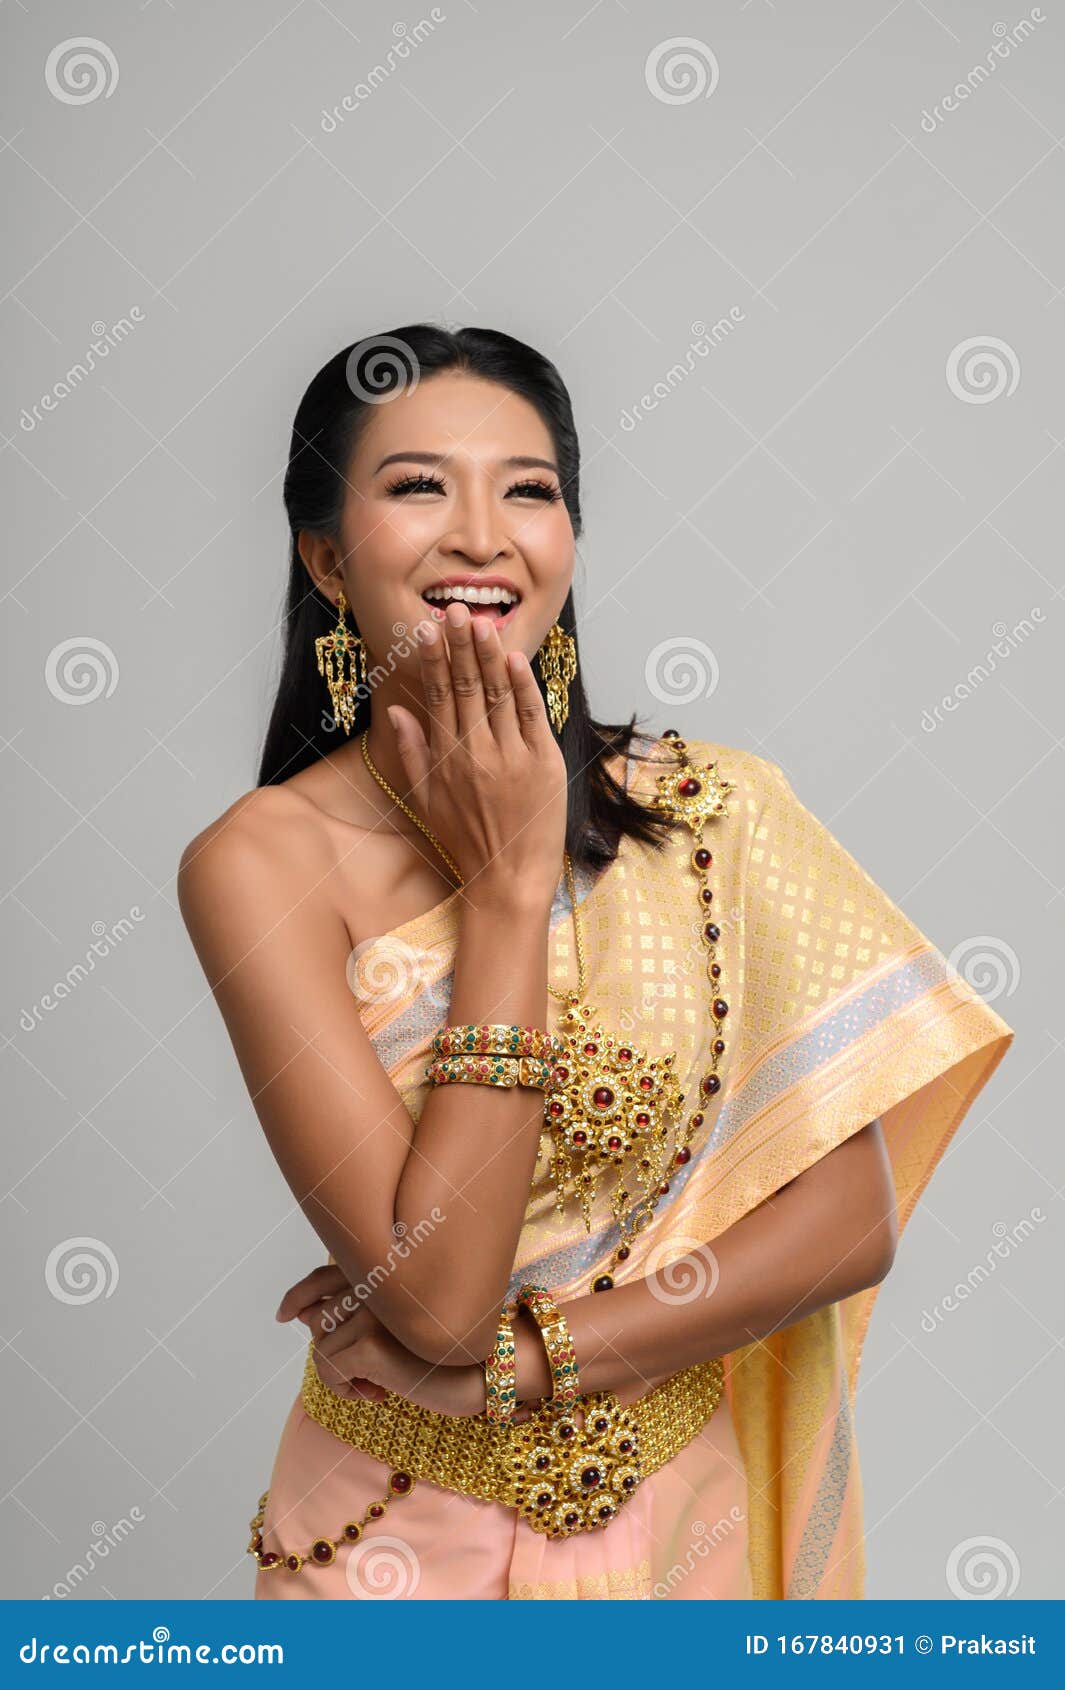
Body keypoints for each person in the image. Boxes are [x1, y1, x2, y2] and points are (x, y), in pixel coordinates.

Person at [177, 325, 1014, 1600]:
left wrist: (525, 1365)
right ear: (327, 558)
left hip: (689, 1534)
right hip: (394, 1552)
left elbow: (851, 1218)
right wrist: (510, 886)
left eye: (531, 489)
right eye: (418, 486)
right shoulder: (261, 863)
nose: (483, 535)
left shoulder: (714, 811)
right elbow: (441, 1299)